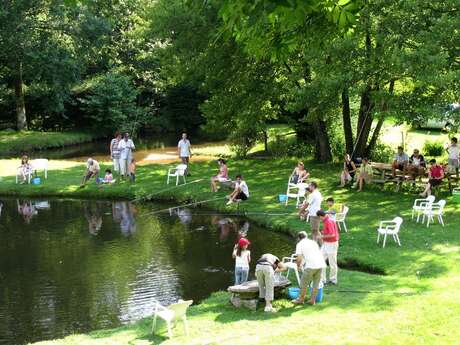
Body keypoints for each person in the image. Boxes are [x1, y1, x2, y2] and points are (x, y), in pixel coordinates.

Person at [292, 231, 326, 306]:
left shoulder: (300, 244)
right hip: (320, 264)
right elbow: (310, 254)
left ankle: (301, 300)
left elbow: (299, 257)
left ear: (299, 238)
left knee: (303, 283)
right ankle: (312, 300)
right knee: (316, 283)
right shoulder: (313, 242)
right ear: (306, 236)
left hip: (311, 265)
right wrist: (302, 264)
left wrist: (298, 265)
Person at [317, 210, 339, 285]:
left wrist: (322, 236)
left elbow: (332, 234)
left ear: (321, 216)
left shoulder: (328, 221)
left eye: (319, 218)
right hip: (326, 243)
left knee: (332, 262)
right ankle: (322, 280)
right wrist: (323, 232)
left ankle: (333, 280)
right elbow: (329, 232)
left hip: (332, 244)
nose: (319, 220)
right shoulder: (326, 220)